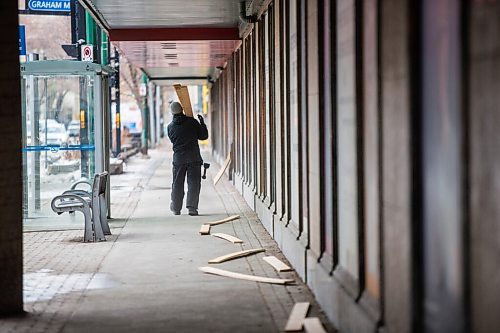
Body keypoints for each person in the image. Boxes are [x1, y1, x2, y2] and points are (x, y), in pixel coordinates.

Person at [167, 101, 209, 216]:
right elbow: (203, 136)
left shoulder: (170, 127)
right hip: (193, 158)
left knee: (177, 183)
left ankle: (176, 208)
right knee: (194, 183)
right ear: (182, 109)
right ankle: (192, 208)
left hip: (179, 159)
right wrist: (202, 123)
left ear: (172, 113)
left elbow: (173, 140)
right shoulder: (192, 122)